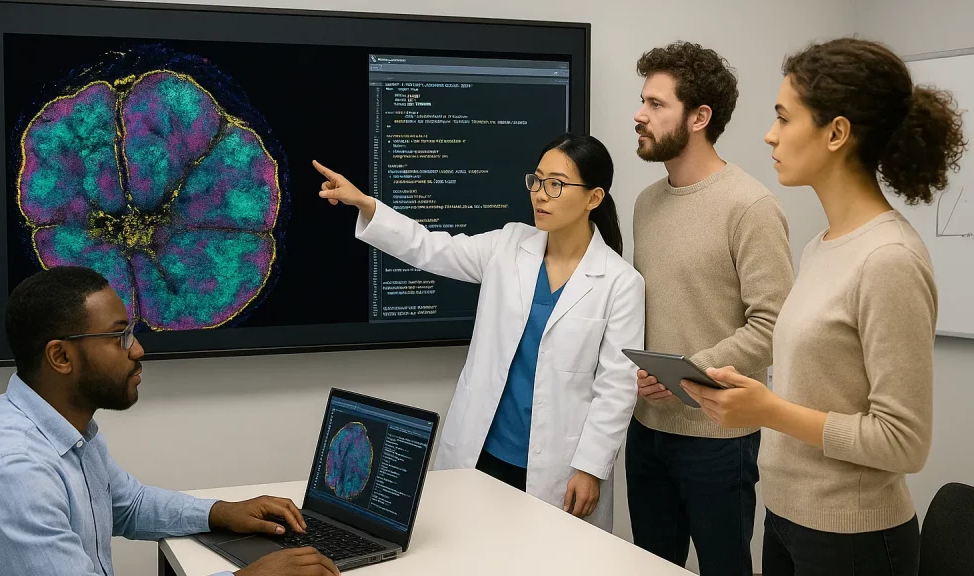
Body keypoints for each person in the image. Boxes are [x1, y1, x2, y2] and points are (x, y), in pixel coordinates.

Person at [682, 38, 965, 576]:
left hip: (854, 538)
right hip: (787, 518)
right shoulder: (820, 246)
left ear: (836, 133)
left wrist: (768, 411)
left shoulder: (890, 259)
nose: (769, 134)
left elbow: (903, 443)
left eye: (784, 118)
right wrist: (752, 399)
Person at [313, 133, 645, 531]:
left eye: (556, 184)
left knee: (547, 556)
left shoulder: (620, 283)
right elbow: (430, 248)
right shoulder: (508, 245)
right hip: (483, 451)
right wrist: (367, 204)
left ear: (594, 197)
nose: (540, 194)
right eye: (537, 180)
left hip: (559, 466)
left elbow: (617, 387)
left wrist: (591, 468)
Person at [0, 267, 339, 576]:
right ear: (61, 357)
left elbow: (129, 505)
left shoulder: (69, 430)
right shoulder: (12, 472)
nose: (137, 349)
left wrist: (220, 512)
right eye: (118, 337)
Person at [625, 41, 796, 576]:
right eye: (643, 101)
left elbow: (773, 325)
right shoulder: (646, 203)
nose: (639, 115)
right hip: (647, 430)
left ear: (699, 117)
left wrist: (688, 370)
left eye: (656, 104)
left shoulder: (750, 206)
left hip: (719, 439)